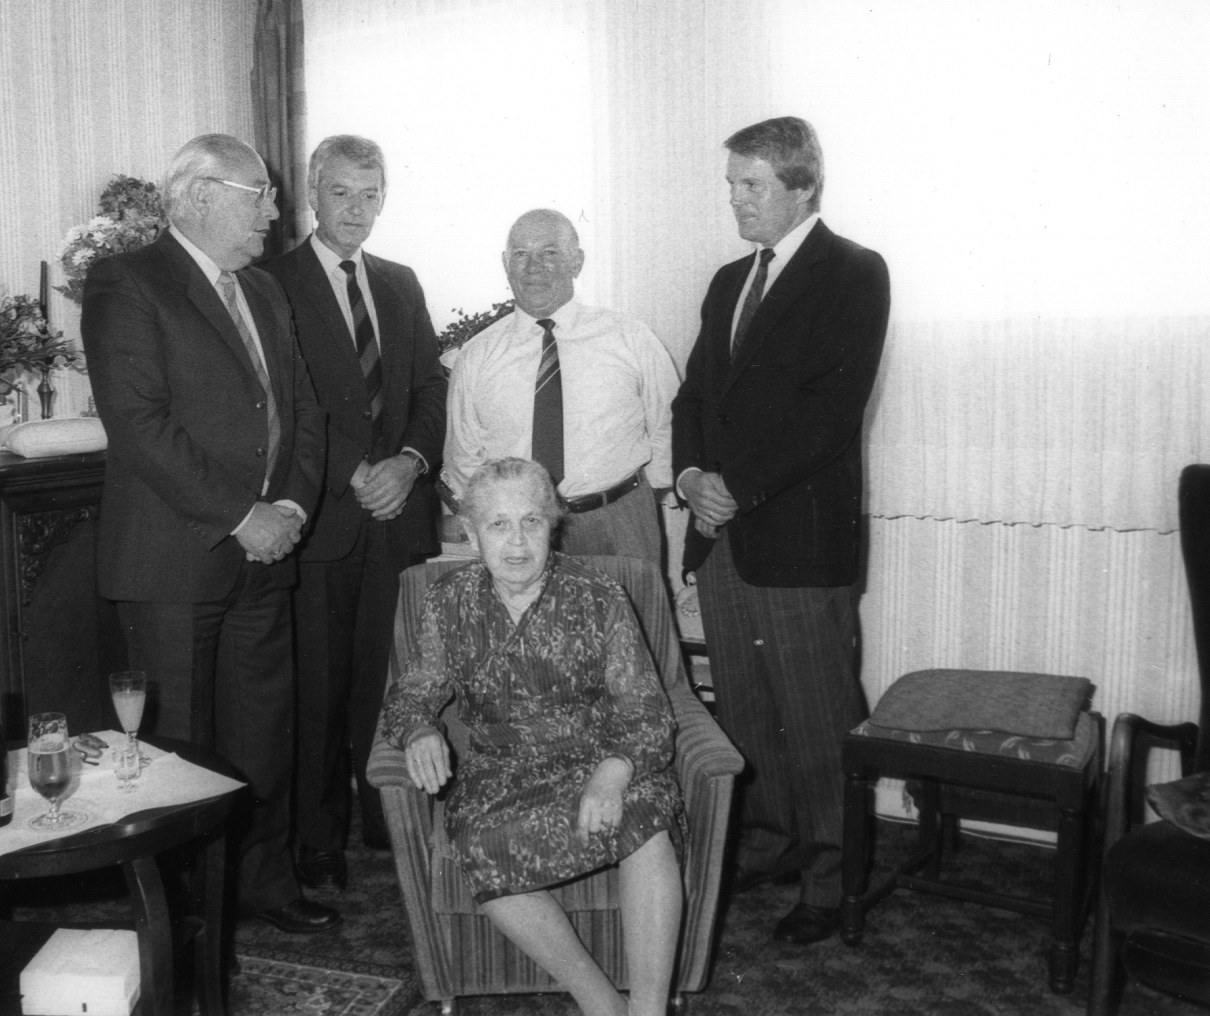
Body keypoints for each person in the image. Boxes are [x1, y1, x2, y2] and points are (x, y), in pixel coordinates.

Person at [82, 133, 340, 935]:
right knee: (178, 748)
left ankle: (264, 884)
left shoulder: (263, 291)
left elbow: (302, 412)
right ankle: (184, 916)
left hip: (267, 557)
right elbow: (140, 424)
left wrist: (291, 510)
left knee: (264, 736)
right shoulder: (128, 281)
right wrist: (242, 515)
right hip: (174, 565)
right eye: (257, 192)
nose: (274, 208)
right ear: (197, 195)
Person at [671, 116, 890, 945]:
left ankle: (835, 877)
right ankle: (768, 839)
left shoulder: (854, 272)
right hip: (720, 534)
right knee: (748, 712)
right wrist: (692, 478)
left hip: (796, 539)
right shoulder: (730, 279)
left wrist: (737, 489)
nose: (735, 200)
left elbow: (830, 416)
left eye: (751, 185)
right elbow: (694, 398)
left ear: (803, 186)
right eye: (731, 185)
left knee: (820, 712)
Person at [379, 457, 684, 1016]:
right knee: (479, 843)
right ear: (470, 533)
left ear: (553, 525)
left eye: (531, 522)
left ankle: (649, 1010)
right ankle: (601, 1005)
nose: (516, 542)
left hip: (600, 757)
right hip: (503, 770)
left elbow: (647, 711)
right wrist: (419, 728)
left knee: (647, 822)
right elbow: (412, 691)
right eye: (498, 524)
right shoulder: (449, 600)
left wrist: (612, 775)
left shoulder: (598, 596)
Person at [261, 135, 447, 890]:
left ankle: (385, 821)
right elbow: (281, 403)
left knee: (391, 680)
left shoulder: (400, 284)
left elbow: (432, 388)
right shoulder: (272, 282)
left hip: (397, 516)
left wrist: (408, 464)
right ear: (312, 192)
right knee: (317, 689)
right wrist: (353, 472)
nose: (357, 210)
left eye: (371, 194)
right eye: (342, 193)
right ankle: (317, 840)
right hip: (322, 520)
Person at [442, 210, 679, 566]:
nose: (533, 266)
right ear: (505, 264)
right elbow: (463, 455)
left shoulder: (630, 337)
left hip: (619, 521)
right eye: (520, 254)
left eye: (549, 252)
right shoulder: (476, 356)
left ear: (577, 261)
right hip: (521, 532)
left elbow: (667, 423)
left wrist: (650, 495)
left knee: (634, 620)